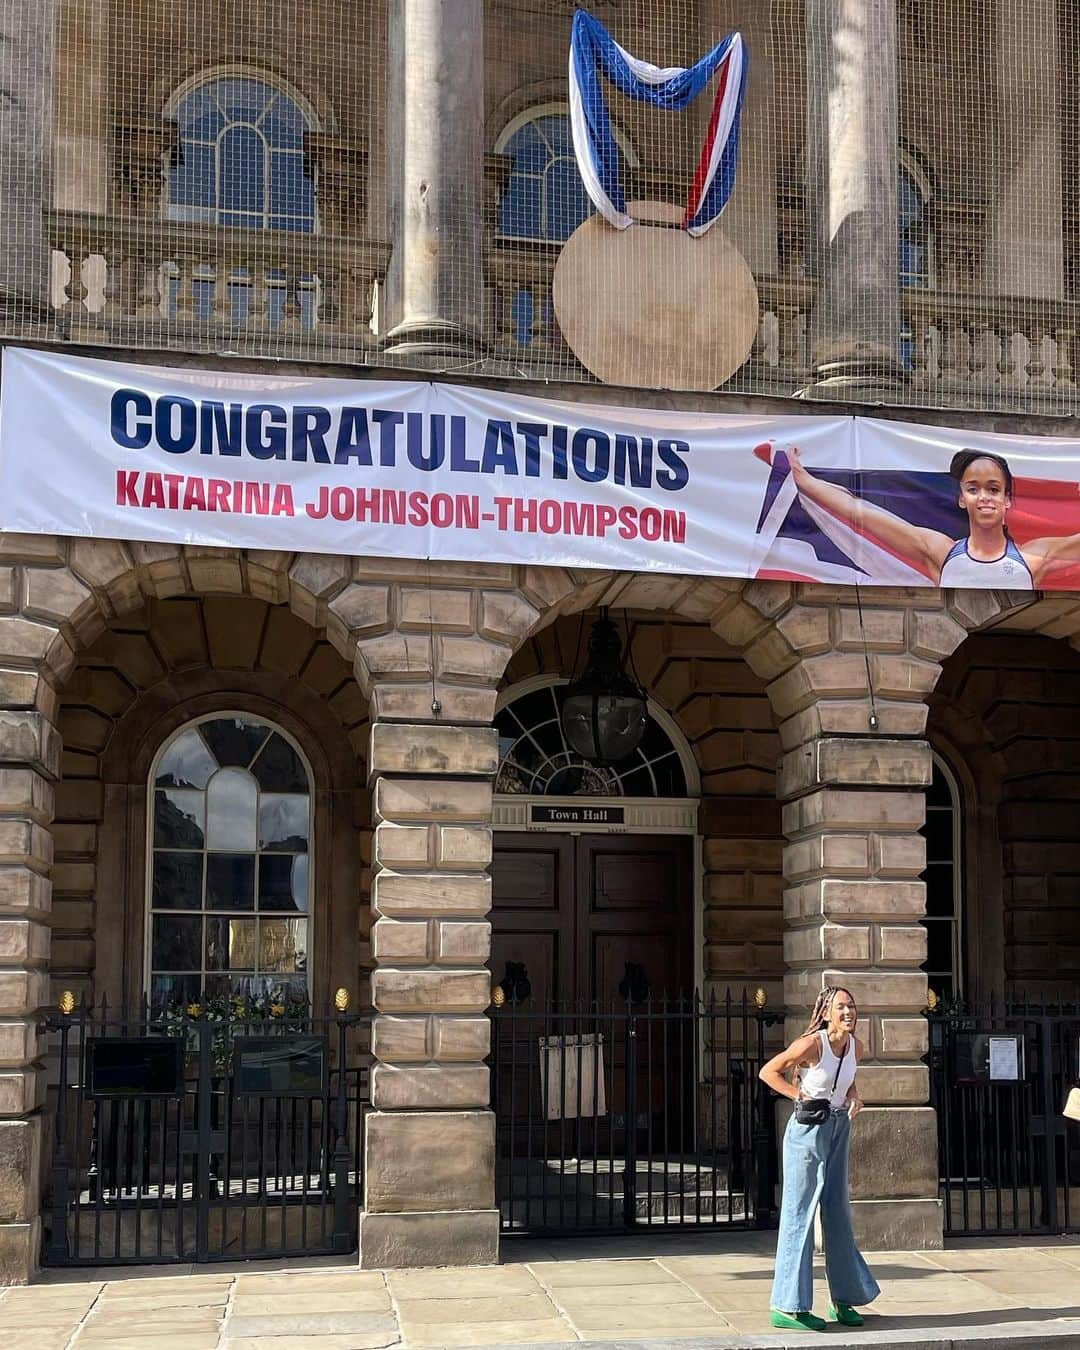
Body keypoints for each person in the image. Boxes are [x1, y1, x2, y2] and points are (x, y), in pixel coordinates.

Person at [785, 445, 1080, 588]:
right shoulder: (941, 551)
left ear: (1007, 500)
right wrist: (805, 480)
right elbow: (860, 512)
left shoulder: (1033, 559)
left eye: (994, 489)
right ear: (962, 499)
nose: (985, 497)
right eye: (973, 489)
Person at [758, 986, 879, 1333]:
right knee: (800, 1215)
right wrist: (800, 1096)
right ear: (826, 1012)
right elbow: (768, 1072)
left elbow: (848, 1079)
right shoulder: (812, 1044)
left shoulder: (856, 1046)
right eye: (841, 1007)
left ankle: (843, 1298)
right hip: (807, 1132)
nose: (848, 1012)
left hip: (839, 1127)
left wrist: (855, 1096)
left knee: (837, 1213)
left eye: (852, 1006)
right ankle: (787, 1306)